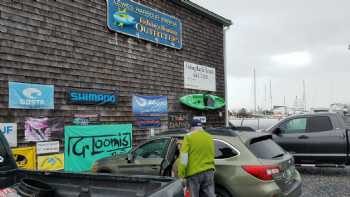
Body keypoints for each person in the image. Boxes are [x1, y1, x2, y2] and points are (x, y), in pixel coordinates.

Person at [178, 119, 216, 197]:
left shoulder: (188, 137)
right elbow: (212, 154)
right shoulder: (209, 137)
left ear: (191, 127)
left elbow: (184, 157)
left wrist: (181, 174)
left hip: (194, 173)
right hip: (209, 171)